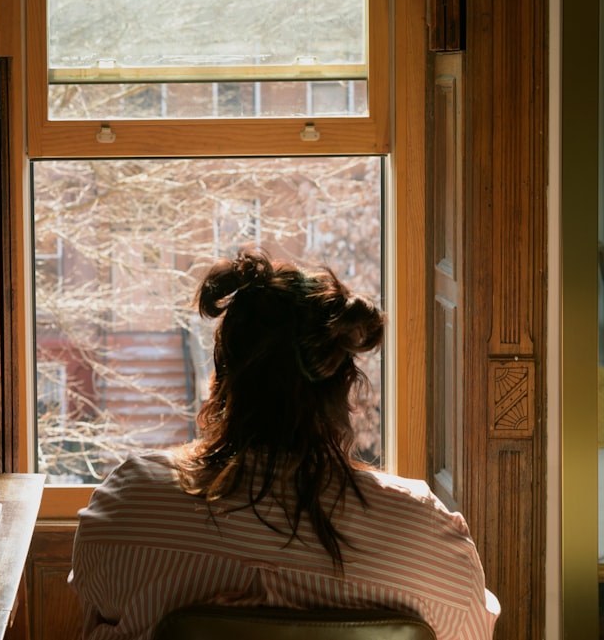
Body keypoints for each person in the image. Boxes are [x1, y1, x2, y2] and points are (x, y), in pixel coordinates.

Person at [69, 248, 499, 640]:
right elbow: (473, 626)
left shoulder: (128, 509)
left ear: (222, 377)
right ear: (344, 386)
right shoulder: (424, 538)